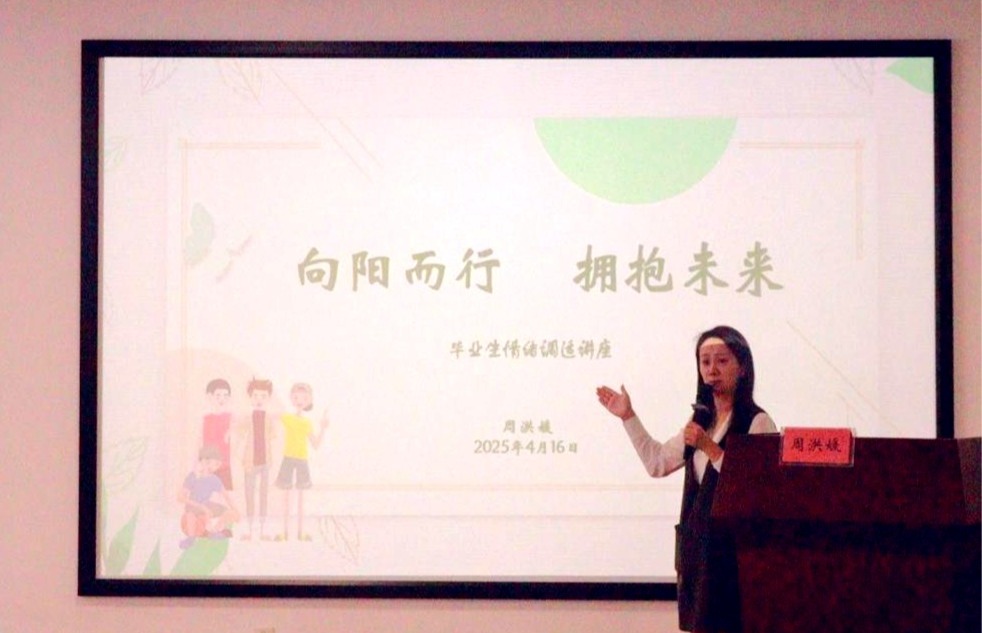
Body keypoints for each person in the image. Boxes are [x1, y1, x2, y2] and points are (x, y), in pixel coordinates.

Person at [596, 325, 776, 633]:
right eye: (705, 362)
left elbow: (757, 490)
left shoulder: (757, 421)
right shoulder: (701, 420)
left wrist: (710, 448)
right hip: (698, 557)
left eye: (722, 361)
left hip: (735, 560)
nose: (712, 370)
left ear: (743, 368)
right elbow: (657, 463)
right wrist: (628, 417)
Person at [275, 382, 329, 541]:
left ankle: (300, 532)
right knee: (286, 497)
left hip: (301, 460)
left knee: (300, 498)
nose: (299, 401)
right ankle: (284, 532)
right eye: (296, 397)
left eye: (304, 398)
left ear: (309, 400)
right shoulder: (286, 418)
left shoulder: (306, 423)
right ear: (291, 398)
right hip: (288, 459)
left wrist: (323, 428)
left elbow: (316, 444)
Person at [237, 377, 277, 541]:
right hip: (249, 461)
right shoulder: (247, 417)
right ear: (250, 397)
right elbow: (240, 436)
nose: (259, 399)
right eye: (255, 396)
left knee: (263, 493)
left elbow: (272, 437)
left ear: (268, 398)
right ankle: (249, 528)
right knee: (249, 493)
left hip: (265, 461)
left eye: (263, 396)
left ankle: (263, 528)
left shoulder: (269, 418)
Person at [178, 444, 241, 549]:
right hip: (193, 506)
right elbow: (180, 497)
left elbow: (226, 496)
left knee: (229, 513)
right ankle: (191, 538)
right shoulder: (193, 476)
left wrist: (236, 511)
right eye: (215, 464)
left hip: (206, 505)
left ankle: (214, 531)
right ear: (204, 461)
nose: (216, 467)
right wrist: (201, 507)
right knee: (191, 515)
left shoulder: (214, 479)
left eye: (218, 465)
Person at [201, 378, 234, 490]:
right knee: (207, 494)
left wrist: (231, 433)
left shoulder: (231, 417)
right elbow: (200, 442)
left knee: (226, 493)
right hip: (208, 465)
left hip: (225, 464)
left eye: (225, 396)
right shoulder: (205, 419)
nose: (222, 399)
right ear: (210, 396)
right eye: (218, 395)